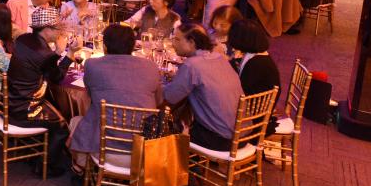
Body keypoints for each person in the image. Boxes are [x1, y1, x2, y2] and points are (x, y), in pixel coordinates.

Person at [67, 24, 162, 167]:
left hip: (103, 149)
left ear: (104, 46)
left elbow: (91, 95)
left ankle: (81, 167)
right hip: (144, 150)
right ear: (133, 46)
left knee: (76, 121)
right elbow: (159, 101)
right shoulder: (151, 67)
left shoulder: (92, 65)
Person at [5, 7, 73, 176]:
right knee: (63, 125)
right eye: (56, 28)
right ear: (46, 29)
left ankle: (36, 150)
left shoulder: (23, 39)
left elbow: (44, 67)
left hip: (10, 98)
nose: (59, 32)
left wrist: (55, 54)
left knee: (54, 103)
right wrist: (67, 53)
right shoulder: (43, 53)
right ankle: (44, 166)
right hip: (25, 108)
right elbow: (56, 77)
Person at [164, 23, 244, 151]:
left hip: (221, 139)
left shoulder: (191, 65)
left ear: (191, 42)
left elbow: (170, 97)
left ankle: (180, 165)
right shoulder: (219, 58)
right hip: (243, 135)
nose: (173, 43)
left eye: (177, 39)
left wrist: (155, 82)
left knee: (167, 126)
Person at [227, 19, 281, 135]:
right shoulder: (258, 57)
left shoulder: (256, 64)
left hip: (252, 121)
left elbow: (239, 91)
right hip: (257, 113)